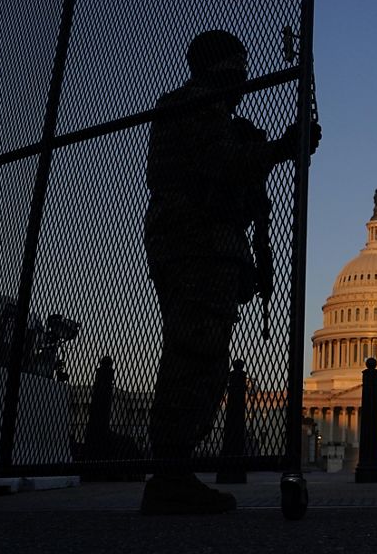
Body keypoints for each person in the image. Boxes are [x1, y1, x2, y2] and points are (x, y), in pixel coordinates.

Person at [140, 29, 320, 515]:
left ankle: (173, 470)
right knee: (194, 356)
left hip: (201, 248)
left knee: (201, 357)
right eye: (238, 68)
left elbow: (235, 182)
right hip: (193, 246)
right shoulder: (194, 106)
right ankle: (171, 473)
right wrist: (281, 149)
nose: (245, 79)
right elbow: (219, 167)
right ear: (221, 69)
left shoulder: (213, 114)